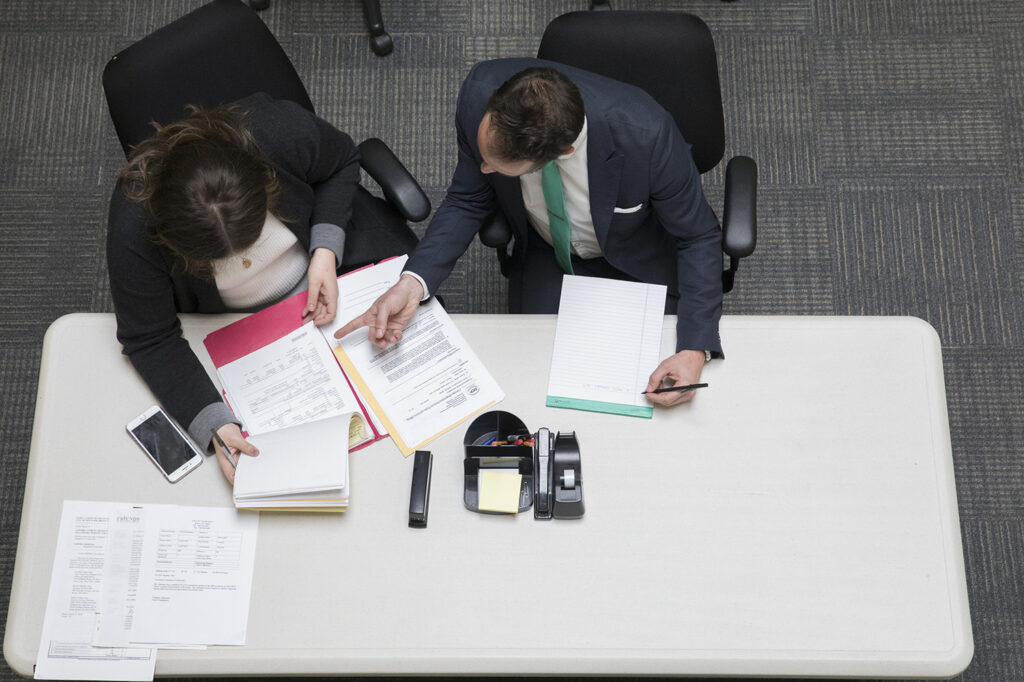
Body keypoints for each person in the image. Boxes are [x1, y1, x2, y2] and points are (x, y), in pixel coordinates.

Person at [334, 59, 723, 406]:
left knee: (648, 390)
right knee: (531, 389)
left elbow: (698, 236)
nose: (483, 170)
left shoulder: (647, 136)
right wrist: (413, 284)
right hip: (546, 255)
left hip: (635, 258)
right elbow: (468, 199)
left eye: (496, 165)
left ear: (561, 154)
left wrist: (694, 348)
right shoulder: (479, 95)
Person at [108, 92, 417, 482]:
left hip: (340, 268)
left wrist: (325, 249)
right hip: (234, 332)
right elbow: (149, 338)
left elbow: (341, 161)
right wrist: (216, 424)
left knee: (403, 421)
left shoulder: (278, 130)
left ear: (265, 181)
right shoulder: (133, 223)